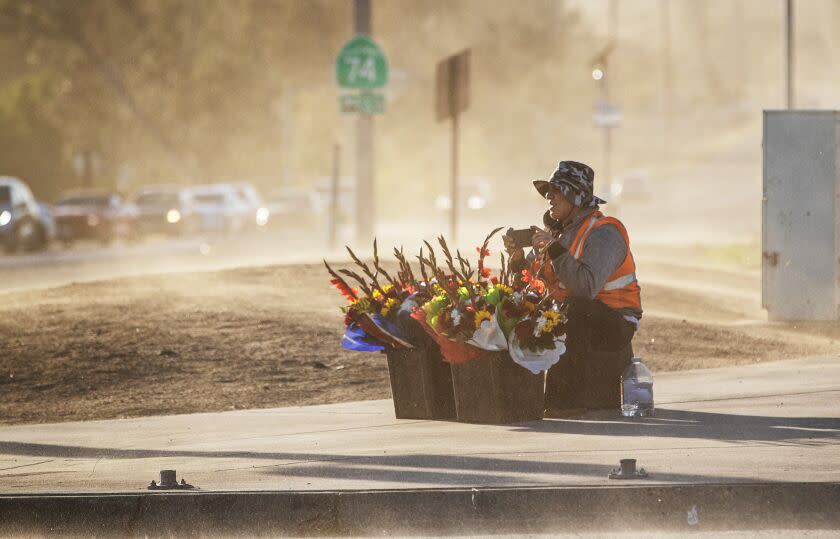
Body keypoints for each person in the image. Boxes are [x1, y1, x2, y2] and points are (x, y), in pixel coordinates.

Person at [503, 160, 642, 415]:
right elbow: (529, 287)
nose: (549, 198)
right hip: (579, 314)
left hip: (615, 322)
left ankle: (563, 402)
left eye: (556, 192)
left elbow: (584, 288)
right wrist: (518, 261)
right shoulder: (556, 234)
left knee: (574, 308)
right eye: (548, 192)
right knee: (519, 307)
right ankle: (523, 399)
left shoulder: (605, 233)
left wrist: (554, 250)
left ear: (575, 197)